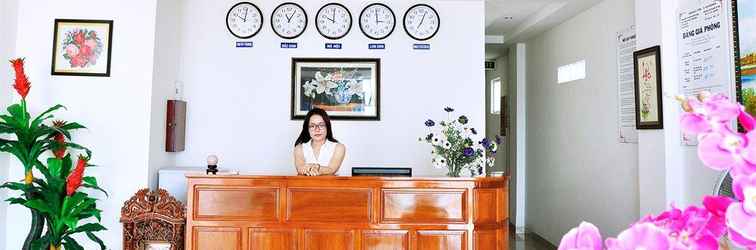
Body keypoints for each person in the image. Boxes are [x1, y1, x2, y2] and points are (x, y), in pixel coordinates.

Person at [293, 108, 346, 176]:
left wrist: (316, 167)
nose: (317, 129)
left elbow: (332, 169)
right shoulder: (299, 148)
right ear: (307, 129)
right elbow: (300, 169)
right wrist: (309, 169)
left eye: (321, 125)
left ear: (327, 127)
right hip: (305, 185)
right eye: (312, 126)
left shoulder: (339, 147)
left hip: (330, 185)